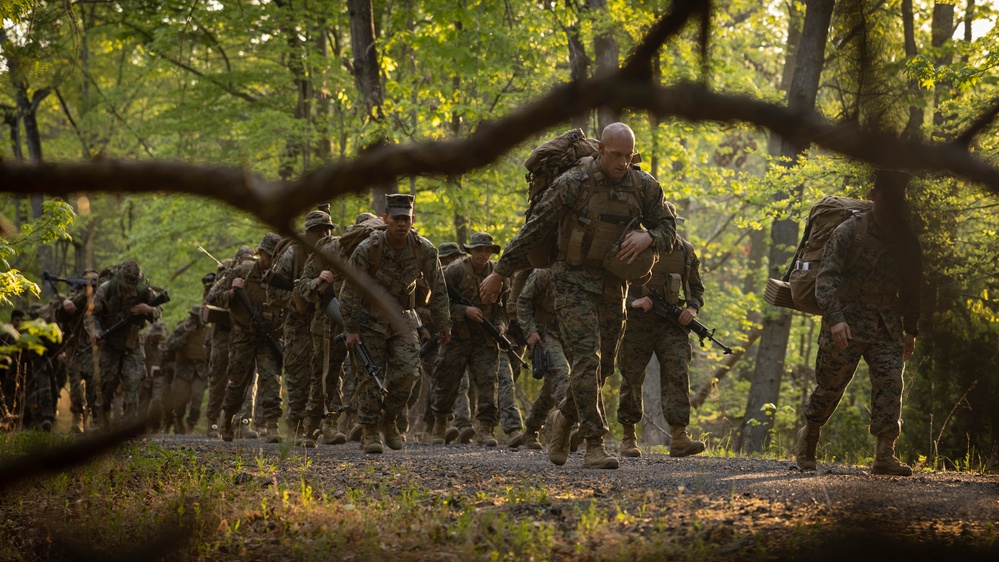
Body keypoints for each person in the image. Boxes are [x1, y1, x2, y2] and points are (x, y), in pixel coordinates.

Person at [480, 122, 677, 469]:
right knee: (587, 358)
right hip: (571, 279)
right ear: (601, 149)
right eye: (616, 155)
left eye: (628, 156)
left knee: (604, 366)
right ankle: (594, 444)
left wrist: (650, 238)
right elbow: (535, 228)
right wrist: (500, 272)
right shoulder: (574, 183)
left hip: (614, 283)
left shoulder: (642, 185)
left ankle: (562, 423)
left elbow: (668, 227)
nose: (622, 163)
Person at [796, 170, 922, 476]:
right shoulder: (849, 231)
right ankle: (809, 437)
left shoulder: (906, 239)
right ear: (875, 194)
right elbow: (826, 279)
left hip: (886, 325)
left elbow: (914, 287)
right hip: (847, 321)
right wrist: (836, 320)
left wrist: (911, 329)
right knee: (830, 388)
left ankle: (884, 455)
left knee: (891, 383)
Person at [339, 193, 451, 454]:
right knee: (369, 376)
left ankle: (389, 420)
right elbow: (349, 291)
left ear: (412, 220)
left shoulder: (424, 249)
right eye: (396, 219)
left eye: (406, 219)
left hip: (403, 317)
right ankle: (369, 432)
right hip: (369, 319)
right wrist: (352, 329)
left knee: (409, 373)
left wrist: (444, 325)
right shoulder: (367, 249)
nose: (402, 224)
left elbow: (440, 288)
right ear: (385, 219)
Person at [617, 207, 706, 458]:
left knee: (678, 372)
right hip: (637, 322)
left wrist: (692, 308)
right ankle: (628, 436)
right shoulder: (635, 244)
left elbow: (696, 289)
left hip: (671, 323)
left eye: (673, 224)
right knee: (631, 376)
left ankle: (679, 435)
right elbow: (614, 282)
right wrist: (631, 302)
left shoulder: (685, 251)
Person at [431, 232, 507, 447]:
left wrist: (501, 326)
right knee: (447, 380)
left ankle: (485, 429)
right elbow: (439, 303)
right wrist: (463, 310)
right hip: (457, 336)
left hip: (485, 338)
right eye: (478, 250)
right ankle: (440, 424)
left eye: (487, 250)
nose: (483, 254)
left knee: (487, 382)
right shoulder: (454, 271)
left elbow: (503, 308)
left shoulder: (498, 274)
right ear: (470, 251)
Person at [269, 209, 335, 446]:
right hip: (297, 324)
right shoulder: (292, 255)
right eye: (317, 231)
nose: (323, 235)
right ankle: (296, 426)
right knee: (297, 375)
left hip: (325, 322)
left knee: (326, 373)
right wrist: (297, 301)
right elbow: (273, 293)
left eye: (326, 230)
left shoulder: (335, 253)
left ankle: (324, 425)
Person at [214, 233, 284, 442]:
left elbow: (289, 302)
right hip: (243, 335)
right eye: (269, 256)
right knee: (238, 382)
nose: (271, 261)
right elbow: (216, 298)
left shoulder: (280, 275)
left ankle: (272, 426)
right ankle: (227, 419)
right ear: (260, 253)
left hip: (268, 337)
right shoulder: (241, 272)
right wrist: (232, 293)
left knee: (271, 378)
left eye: (275, 256)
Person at [91, 260, 163, 427]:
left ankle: (129, 422)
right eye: (126, 285)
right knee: (106, 382)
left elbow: (159, 310)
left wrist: (149, 309)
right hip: (109, 343)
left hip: (132, 342)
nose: (129, 288)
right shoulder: (106, 289)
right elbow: (92, 315)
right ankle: (100, 420)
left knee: (135, 378)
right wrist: (96, 333)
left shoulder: (144, 291)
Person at [508, 267, 570, 450]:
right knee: (561, 374)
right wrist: (530, 332)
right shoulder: (544, 272)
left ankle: (531, 430)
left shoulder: (584, 274)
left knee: (552, 385)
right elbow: (523, 301)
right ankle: (568, 425)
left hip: (571, 333)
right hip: (545, 332)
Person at [165, 306, 210, 434]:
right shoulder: (181, 328)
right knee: (179, 400)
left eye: (197, 317)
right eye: (192, 316)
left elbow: (213, 350)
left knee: (197, 398)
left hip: (200, 370)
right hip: (183, 369)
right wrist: (185, 335)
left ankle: (191, 426)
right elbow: (169, 345)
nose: (194, 320)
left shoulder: (207, 331)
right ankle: (178, 420)